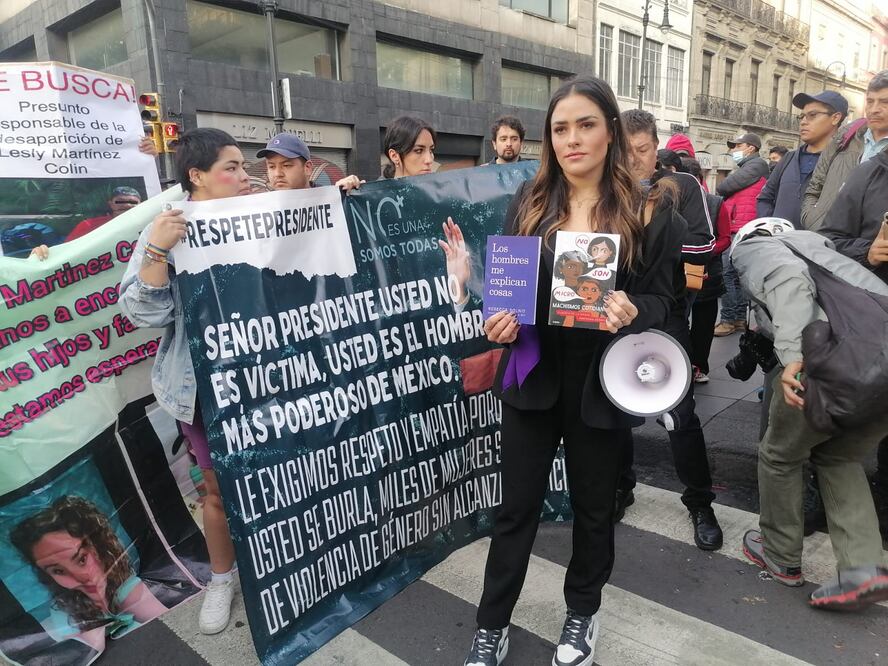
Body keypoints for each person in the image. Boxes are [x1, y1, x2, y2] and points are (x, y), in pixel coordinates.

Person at [464, 75, 685, 666]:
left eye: (585, 124)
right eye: (560, 128)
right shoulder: (531, 203)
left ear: (610, 131)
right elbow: (507, 291)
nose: (572, 139)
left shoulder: (649, 212)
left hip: (603, 380)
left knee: (594, 507)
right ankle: (492, 624)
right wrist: (498, 323)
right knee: (516, 509)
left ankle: (581, 614)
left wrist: (637, 311)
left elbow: (669, 303)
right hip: (533, 373)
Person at [119, 128, 252, 636]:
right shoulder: (166, 229)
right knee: (215, 488)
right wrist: (157, 251)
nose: (243, 177)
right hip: (201, 388)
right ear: (196, 176)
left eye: (243, 167)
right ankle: (223, 578)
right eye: (231, 167)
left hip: (265, 378)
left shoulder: (260, 215)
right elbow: (140, 311)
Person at [731, 220, 888, 610]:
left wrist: (793, 358)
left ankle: (781, 556)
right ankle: (864, 568)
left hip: (831, 366)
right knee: (840, 455)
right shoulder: (826, 252)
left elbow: (787, 279)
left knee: (781, 455)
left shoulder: (759, 247)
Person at [618, 109, 721, 549]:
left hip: (667, 312)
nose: (634, 159)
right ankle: (621, 486)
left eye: (642, 150)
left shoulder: (680, 187)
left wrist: (658, 231)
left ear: (655, 147)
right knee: (614, 408)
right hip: (618, 313)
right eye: (626, 151)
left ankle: (700, 502)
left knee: (680, 413)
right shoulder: (608, 190)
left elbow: (704, 244)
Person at [818, 143, 888, 538]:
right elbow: (827, 242)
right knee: (846, 436)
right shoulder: (870, 173)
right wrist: (870, 252)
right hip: (870, 326)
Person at [10, 496, 167, 651]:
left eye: (81, 559)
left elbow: (170, 626)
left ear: (97, 546)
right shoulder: (63, 612)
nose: (81, 577)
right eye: (58, 571)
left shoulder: (130, 586)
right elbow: (79, 656)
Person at [801, 70, 888, 231]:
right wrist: (812, 220)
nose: (874, 109)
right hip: (821, 240)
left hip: (863, 249)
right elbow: (814, 187)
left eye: (885, 102)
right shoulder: (846, 135)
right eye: (870, 101)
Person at [756, 91, 848, 227]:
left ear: (835, 118)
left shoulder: (844, 163)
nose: (804, 122)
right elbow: (765, 197)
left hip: (817, 246)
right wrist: (772, 228)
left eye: (812, 115)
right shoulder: (788, 158)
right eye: (802, 116)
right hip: (778, 245)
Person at [712, 132, 769, 337]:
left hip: (742, 226)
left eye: (738, 146)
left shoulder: (755, 165)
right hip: (740, 224)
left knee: (728, 274)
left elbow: (724, 186)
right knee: (735, 275)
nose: (733, 150)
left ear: (751, 148)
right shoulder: (751, 167)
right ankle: (736, 319)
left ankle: (728, 319)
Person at [684, 158, 731, 384]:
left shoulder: (715, 203)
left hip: (707, 274)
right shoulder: (668, 200)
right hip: (677, 275)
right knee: (678, 322)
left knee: (703, 324)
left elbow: (725, 238)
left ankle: (698, 366)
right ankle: (678, 364)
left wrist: (703, 252)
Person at [258, 133, 362, 192]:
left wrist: (352, 193)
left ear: (307, 167)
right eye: (271, 167)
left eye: (286, 165)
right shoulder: (260, 209)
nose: (277, 174)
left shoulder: (330, 199)